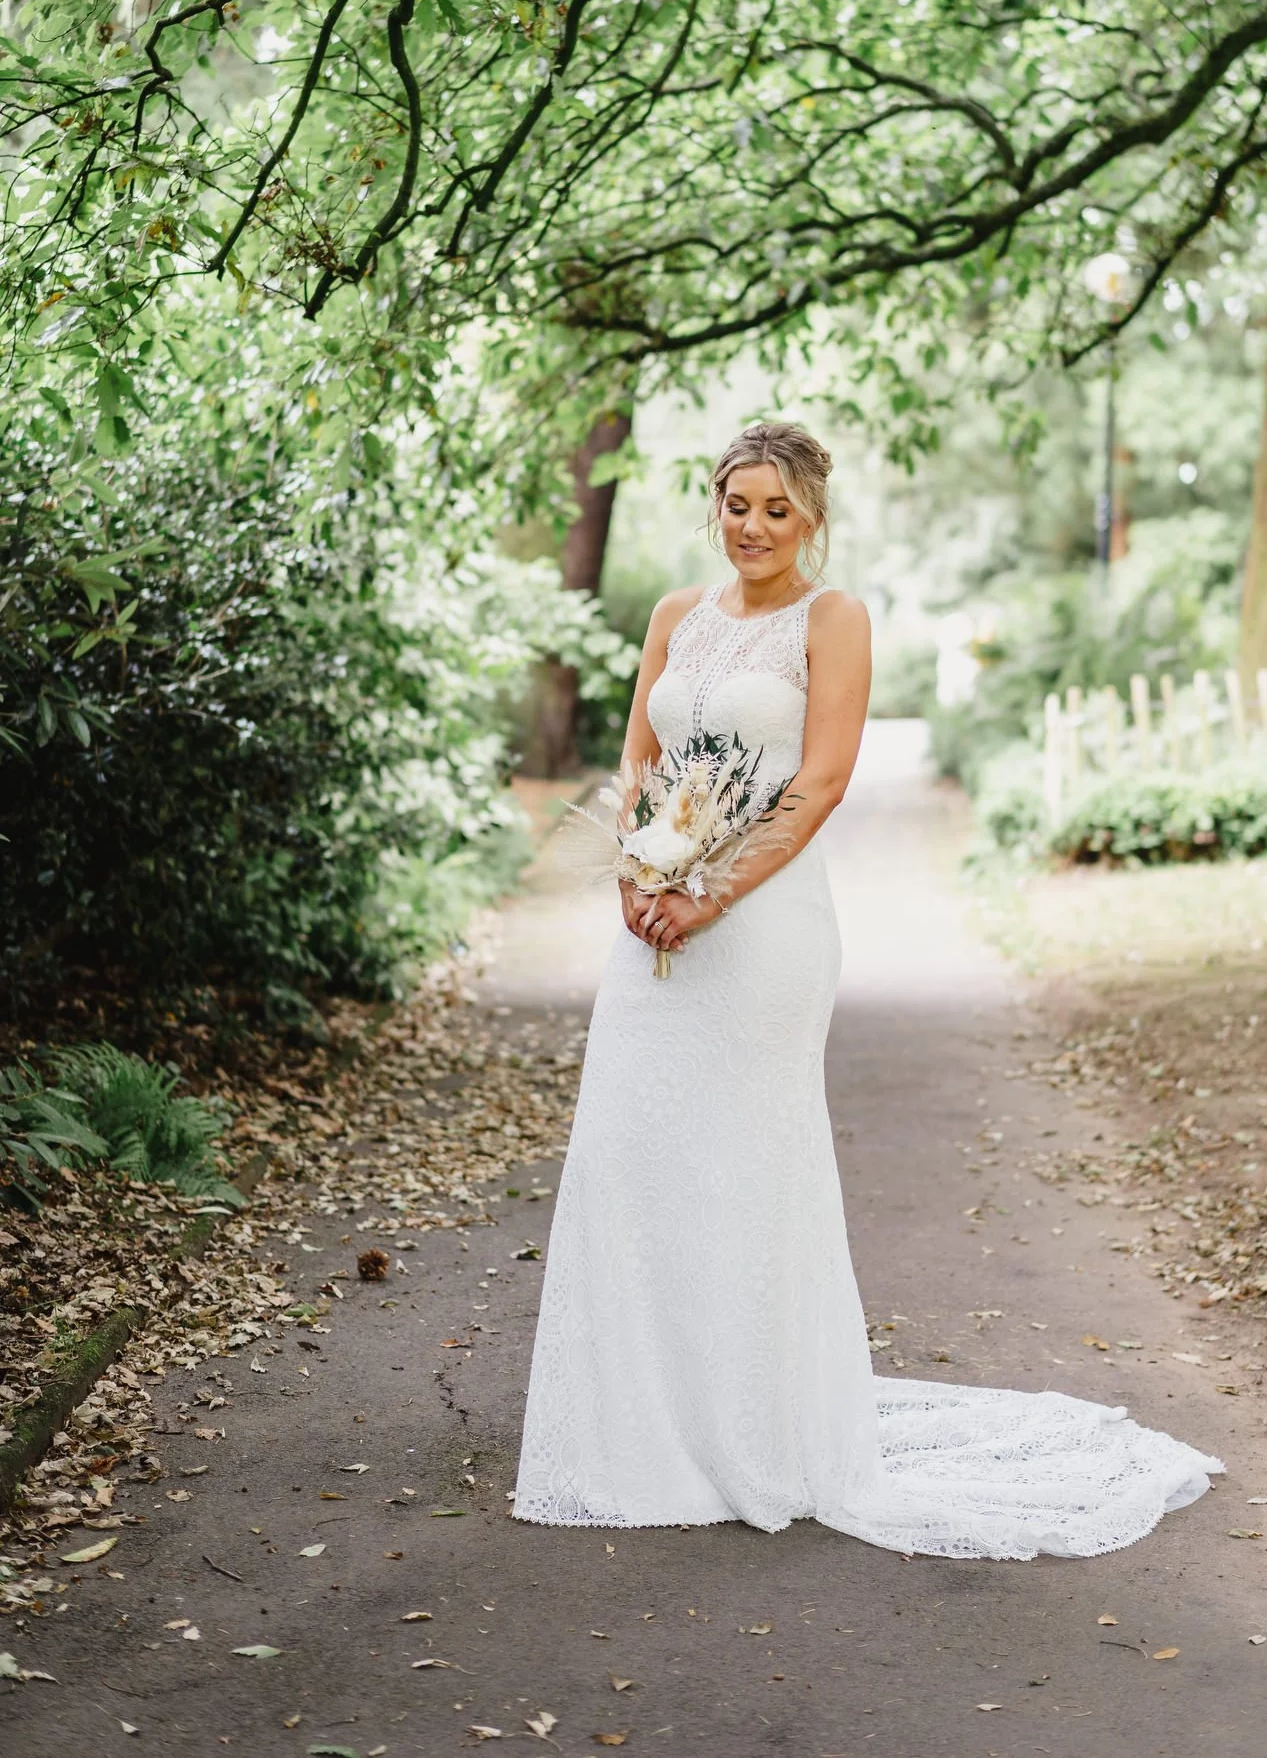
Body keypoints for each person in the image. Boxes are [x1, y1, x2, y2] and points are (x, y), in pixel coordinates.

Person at [514, 419, 1222, 1556]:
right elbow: (639, 761)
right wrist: (637, 872)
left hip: (765, 931)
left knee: (747, 1163)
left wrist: (709, 894)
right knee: (630, 1152)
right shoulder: (672, 618)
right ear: (716, 507)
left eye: (776, 510)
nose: (753, 527)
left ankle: (756, 1429)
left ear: (813, 519)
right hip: (653, 917)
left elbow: (821, 784)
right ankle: (641, 1425)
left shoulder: (832, 622)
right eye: (737, 504)